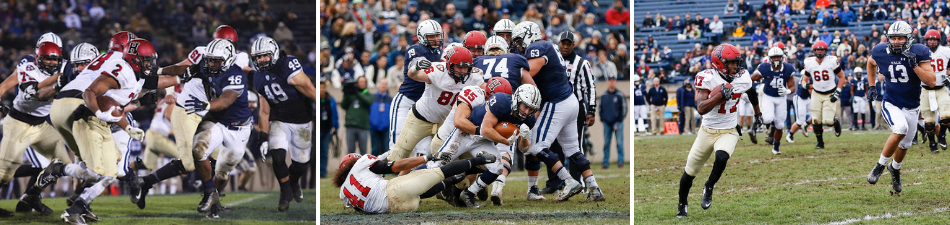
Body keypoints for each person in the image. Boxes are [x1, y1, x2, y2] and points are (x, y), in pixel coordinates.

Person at [513, 21, 604, 201]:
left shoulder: (538, 47)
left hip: (557, 102)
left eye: (518, 39)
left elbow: (529, 72)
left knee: (536, 145)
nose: (517, 44)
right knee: (573, 149)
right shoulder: (550, 46)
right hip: (570, 101)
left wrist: (512, 69)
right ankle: (594, 188)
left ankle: (568, 181)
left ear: (528, 36)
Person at [677, 43, 754, 218]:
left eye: (736, 63)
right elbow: (702, 108)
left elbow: (752, 92)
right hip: (707, 130)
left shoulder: (743, 78)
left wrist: (758, 111)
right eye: (730, 63)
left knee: (722, 156)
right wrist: (720, 95)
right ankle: (682, 203)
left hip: (729, 129)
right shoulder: (707, 77)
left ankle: (709, 185)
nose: (735, 67)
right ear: (719, 63)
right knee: (690, 172)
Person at [866, 20, 936, 195]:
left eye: (900, 38)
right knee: (900, 128)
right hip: (891, 102)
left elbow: (931, 81)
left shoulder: (919, 52)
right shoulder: (881, 51)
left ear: (909, 38)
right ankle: (880, 166)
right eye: (894, 38)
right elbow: (870, 62)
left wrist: (915, 66)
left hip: (912, 106)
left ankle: (895, 169)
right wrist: (872, 85)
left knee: (904, 145)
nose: (897, 41)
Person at [250, 37, 317, 211]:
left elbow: (308, 87)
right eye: (257, 57)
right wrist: (263, 136)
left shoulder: (287, 63)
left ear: (273, 53)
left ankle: (294, 182)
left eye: (264, 55)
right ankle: (285, 192)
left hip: (302, 120)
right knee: (278, 157)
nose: (261, 60)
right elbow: (264, 111)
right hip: (279, 119)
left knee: (301, 165)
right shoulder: (257, 78)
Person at [336, 152, 495, 214]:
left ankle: (453, 180)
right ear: (354, 163)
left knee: (417, 191)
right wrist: (428, 157)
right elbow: (398, 166)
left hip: (397, 209)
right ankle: (480, 160)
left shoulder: (343, 192)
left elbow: (361, 209)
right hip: (395, 190)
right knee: (441, 171)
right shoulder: (361, 164)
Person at [752, 47, 796, 154]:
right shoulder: (765, 67)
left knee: (780, 125)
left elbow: (793, 87)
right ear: (769, 58)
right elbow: (751, 78)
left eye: (778, 57)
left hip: (781, 98)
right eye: (774, 57)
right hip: (768, 96)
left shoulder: (788, 68)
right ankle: (758, 120)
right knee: (768, 119)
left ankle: (776, 147)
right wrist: (746, 90)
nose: (776, 59)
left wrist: (787, 91)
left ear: (782, 58)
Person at [803, 40, 844, 149]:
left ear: (825, 51)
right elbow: (804, 80)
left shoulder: (832, 61)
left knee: (828, 121)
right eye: (818, 50)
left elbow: (842, 77)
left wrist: (837, 92)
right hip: (816, 93)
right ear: (814, 50)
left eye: (822, 50)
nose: (820, 52)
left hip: (830, 93)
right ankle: (820, 143)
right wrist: (805, 85)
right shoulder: (809, 62)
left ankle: (835, 122)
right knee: (816, 119)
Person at [922, 29, 950, 152]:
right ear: (926, 41)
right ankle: (932, 143)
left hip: (941, 88)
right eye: (930, 40)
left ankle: (942, 135)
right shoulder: (921, 52)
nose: (932, 42)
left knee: (946, 115)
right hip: (925, 90)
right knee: (929, 121)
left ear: (938, 41)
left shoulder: (945, 51)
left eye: (934, 40)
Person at [599, 74, 626, 169]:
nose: (611, 82)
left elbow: (624, 109)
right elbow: (600, 108)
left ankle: (620, 162)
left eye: (613, 80)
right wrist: (602, 118)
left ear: (615, 82)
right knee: (606, 143)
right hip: (607, 123)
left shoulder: (620, 95)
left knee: (619, 143)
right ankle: (605, 163)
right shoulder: (603, 95)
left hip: (618, 122)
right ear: (607, 82)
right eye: (610, 80)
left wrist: (619, 120)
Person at [343, 76, 372, 155]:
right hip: (350, 126)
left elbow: (369, 102)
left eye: (363, 82)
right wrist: (346, 94)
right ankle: (350, 167)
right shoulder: (351, 95)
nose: (361, 83)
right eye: (360, 82)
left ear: (366, 83)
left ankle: (363, 167)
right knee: (350, 151)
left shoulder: (368, 94)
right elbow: (343, 105)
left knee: (363, 150)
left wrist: (357, 93)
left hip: (363, 126)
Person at [320, 81, 338, 178]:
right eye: (320, 87)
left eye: (323, 87)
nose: (321, 90)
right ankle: (317, 172)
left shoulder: (330, 99)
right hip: (317, 130)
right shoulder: (315, 99)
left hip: (327, 130)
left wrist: (335, 126)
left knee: (324, 152)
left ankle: (323, 172)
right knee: (316, 153)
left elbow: (335, 114)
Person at [370, 79, 393, 156]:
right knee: (375, 149)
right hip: (374, 128)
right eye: (382, 83)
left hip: (386, 129)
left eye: (385, 84)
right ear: (378, 85)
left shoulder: (390, 100)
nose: (383, 85)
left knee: (385, 150)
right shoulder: (372, 98)